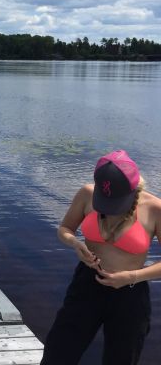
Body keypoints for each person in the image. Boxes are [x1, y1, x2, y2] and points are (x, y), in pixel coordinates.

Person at [41, 150, 161, 365]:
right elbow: (65, 228)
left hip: (130, 294)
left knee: (122, 359)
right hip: (87, 284)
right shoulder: (87, 193)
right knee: (58, 352)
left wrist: (130, 276)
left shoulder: (155, 209)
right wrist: (75, 243)